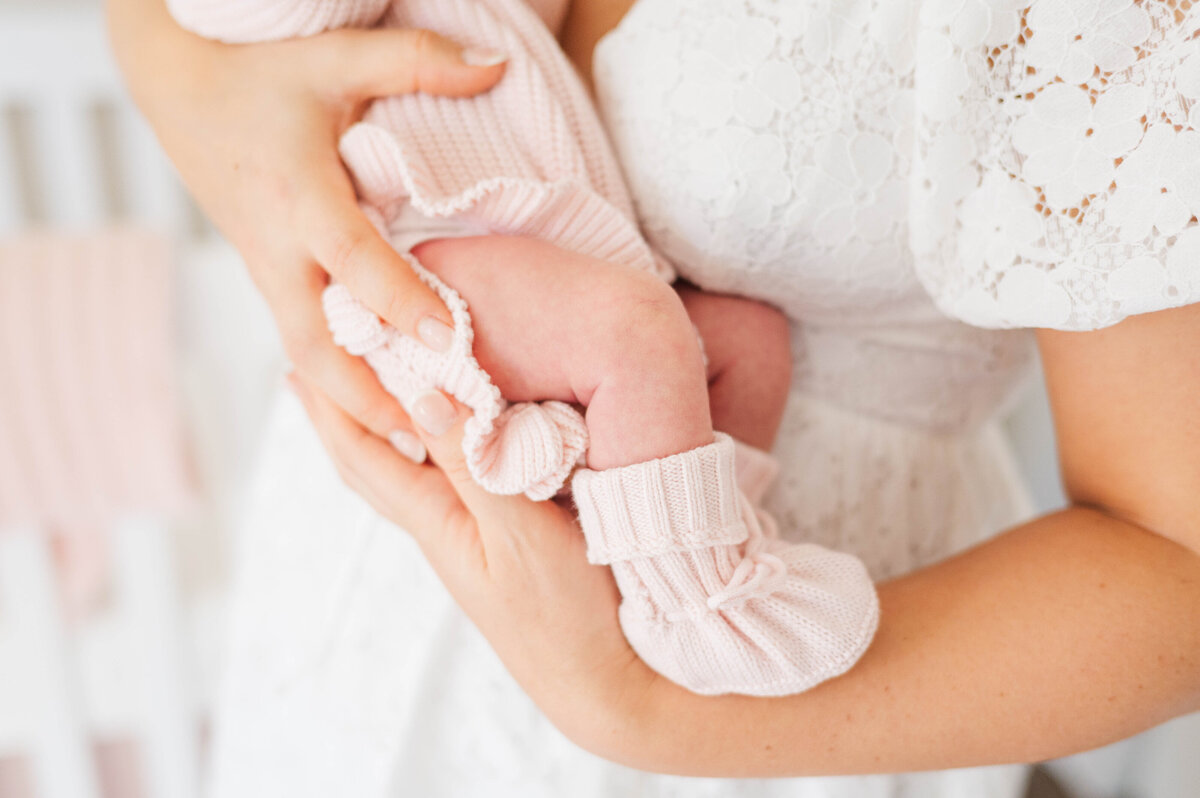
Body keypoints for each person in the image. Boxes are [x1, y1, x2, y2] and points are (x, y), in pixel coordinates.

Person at [109, 0, 1200, 796]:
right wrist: (186, 79)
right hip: (356, 579)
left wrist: (644, 706)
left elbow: (1180, 560)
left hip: (776, 706)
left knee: (710, 352)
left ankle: (699, 582)